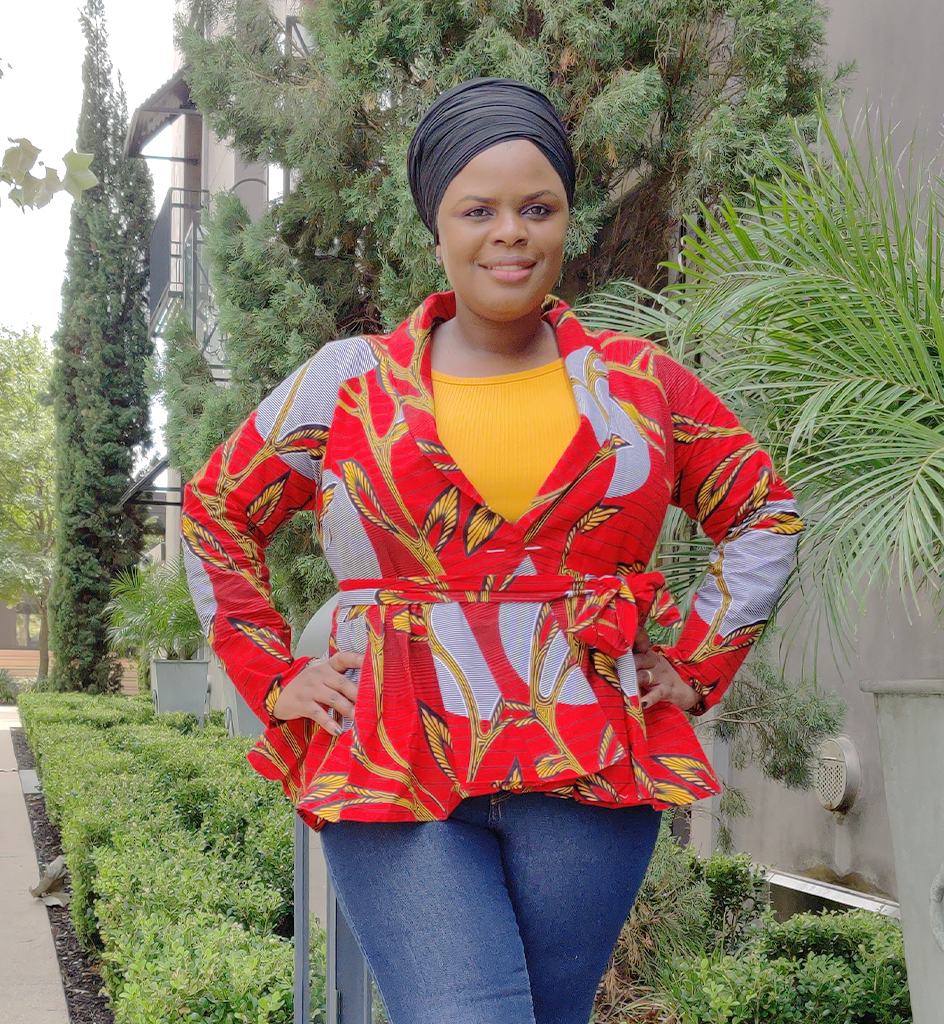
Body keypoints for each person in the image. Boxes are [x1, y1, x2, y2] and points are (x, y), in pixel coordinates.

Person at [182, 78, 802, 1024]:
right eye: (479, 209)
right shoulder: (349, 386)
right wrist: (272, 676)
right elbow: (217, 510)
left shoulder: (639, 389)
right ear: (438, 226)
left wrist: (692, 665)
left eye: (536, 207)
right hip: (391, 750)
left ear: (564, 222)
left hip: (587, 758)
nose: (510, 231)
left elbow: (765, 510)